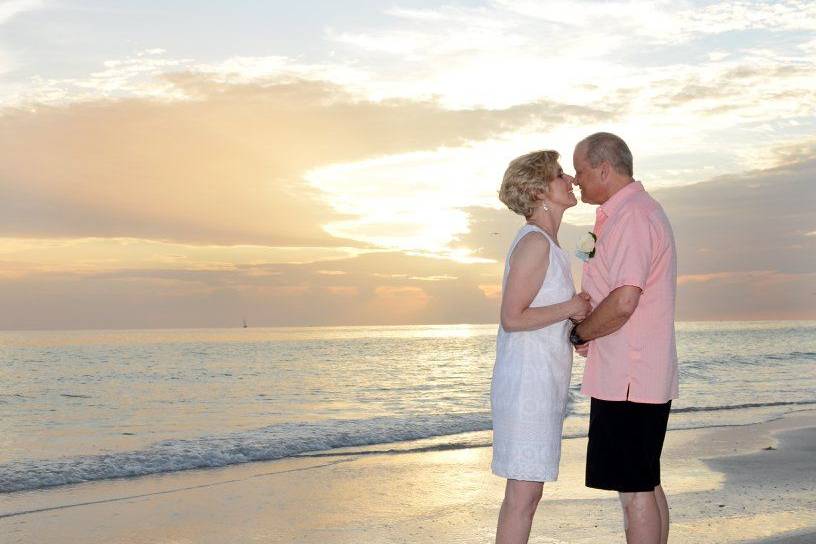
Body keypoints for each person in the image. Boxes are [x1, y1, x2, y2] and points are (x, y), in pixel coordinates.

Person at [569, 132, 679, 544]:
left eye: (580, 170)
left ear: (603, 169)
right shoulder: (629, 212)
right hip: (634, 374)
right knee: (645, 482)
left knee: (634, 491)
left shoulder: (632, 216)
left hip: (629, 378)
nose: (576, 179)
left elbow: (625, 300)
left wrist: (580, 331)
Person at [491, 150, 591, 544]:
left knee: (527, 493)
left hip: (542, 382)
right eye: (559, 175)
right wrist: (570, 307)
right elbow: (512, 318)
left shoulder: (549, 245)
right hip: (527, 387)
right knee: (523, 494)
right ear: (538, 191)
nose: (569, 179)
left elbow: (537, 316)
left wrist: (573, 328)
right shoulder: (535, 244)